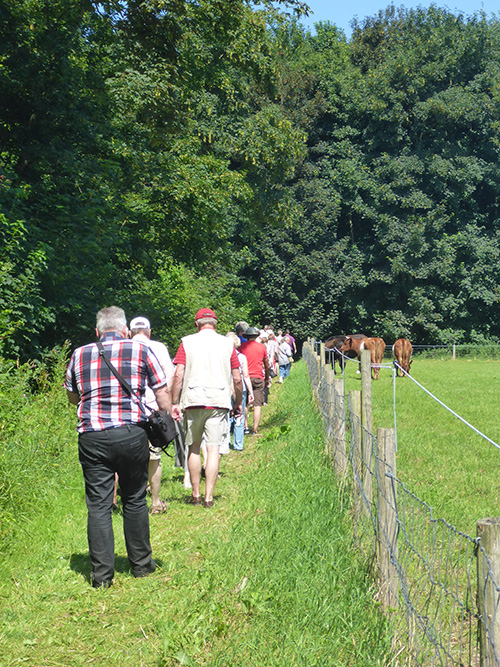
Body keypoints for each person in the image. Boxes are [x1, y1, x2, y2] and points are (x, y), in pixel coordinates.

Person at [65, 306, 172, 588]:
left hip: (92, 436)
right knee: (134, 498)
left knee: (98, 505)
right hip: (131, 434)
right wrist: (167, 415)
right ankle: (142, 566)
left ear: (97, 332)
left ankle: (101, 577)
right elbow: (161, 391)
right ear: (125, 330)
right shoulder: (141, 350)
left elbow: (73, 397)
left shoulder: (79, 354)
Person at [171, 308, 242, 508]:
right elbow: (237, 378)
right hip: (218, 400)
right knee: (213, 448)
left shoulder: (186, 342)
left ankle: (195, 494)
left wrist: (175, 402)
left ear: (196, 324)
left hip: (193, 400)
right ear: (215, 323)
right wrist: (237, 402)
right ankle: (209, 497)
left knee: (193, 447)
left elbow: (178, 374)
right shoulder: (227, 344)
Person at [129, 316, 174, 514]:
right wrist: (165, 402)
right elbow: (169, 374)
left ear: (129, 332)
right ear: (149, 331)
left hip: (129, 409)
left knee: (130, 455)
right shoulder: (158, 347)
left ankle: (131, 498)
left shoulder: (123, 347)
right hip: (153, 409)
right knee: (154, 456)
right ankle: (155, 502)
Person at [240, 326, 271, 435]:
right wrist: (267, 378)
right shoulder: (262, 347)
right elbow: (267, 365)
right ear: (256, 336)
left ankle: (245, 426)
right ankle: (255, 429)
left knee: (245, 403)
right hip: (258, 377)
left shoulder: (241, 347)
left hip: (245, 377)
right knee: (257, 404)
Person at [226, 332, 254, 450]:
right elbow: (246, 376)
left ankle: (225, 442)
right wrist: (251, 392)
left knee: (226, 416)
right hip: (240, 389)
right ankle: (238, 444)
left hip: (226, 389)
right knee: (239, 415)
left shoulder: (222, 357)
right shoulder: (242, 357)